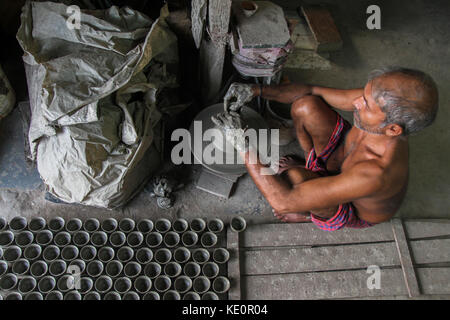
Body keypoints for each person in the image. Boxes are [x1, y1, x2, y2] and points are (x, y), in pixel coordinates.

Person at [212, 67, 439, 231]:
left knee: (295, 178)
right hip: (342, 160)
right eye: (365, 95)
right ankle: (314, 167)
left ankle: (308, 215)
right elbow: (310, 89)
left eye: (366, 104)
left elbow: (283, 202)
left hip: (352, 207)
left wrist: (243, 145)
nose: (357, 102)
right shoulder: (376, 106)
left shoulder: (375, 173)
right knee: (305, 105)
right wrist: (255, 90)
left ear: (392, 129)